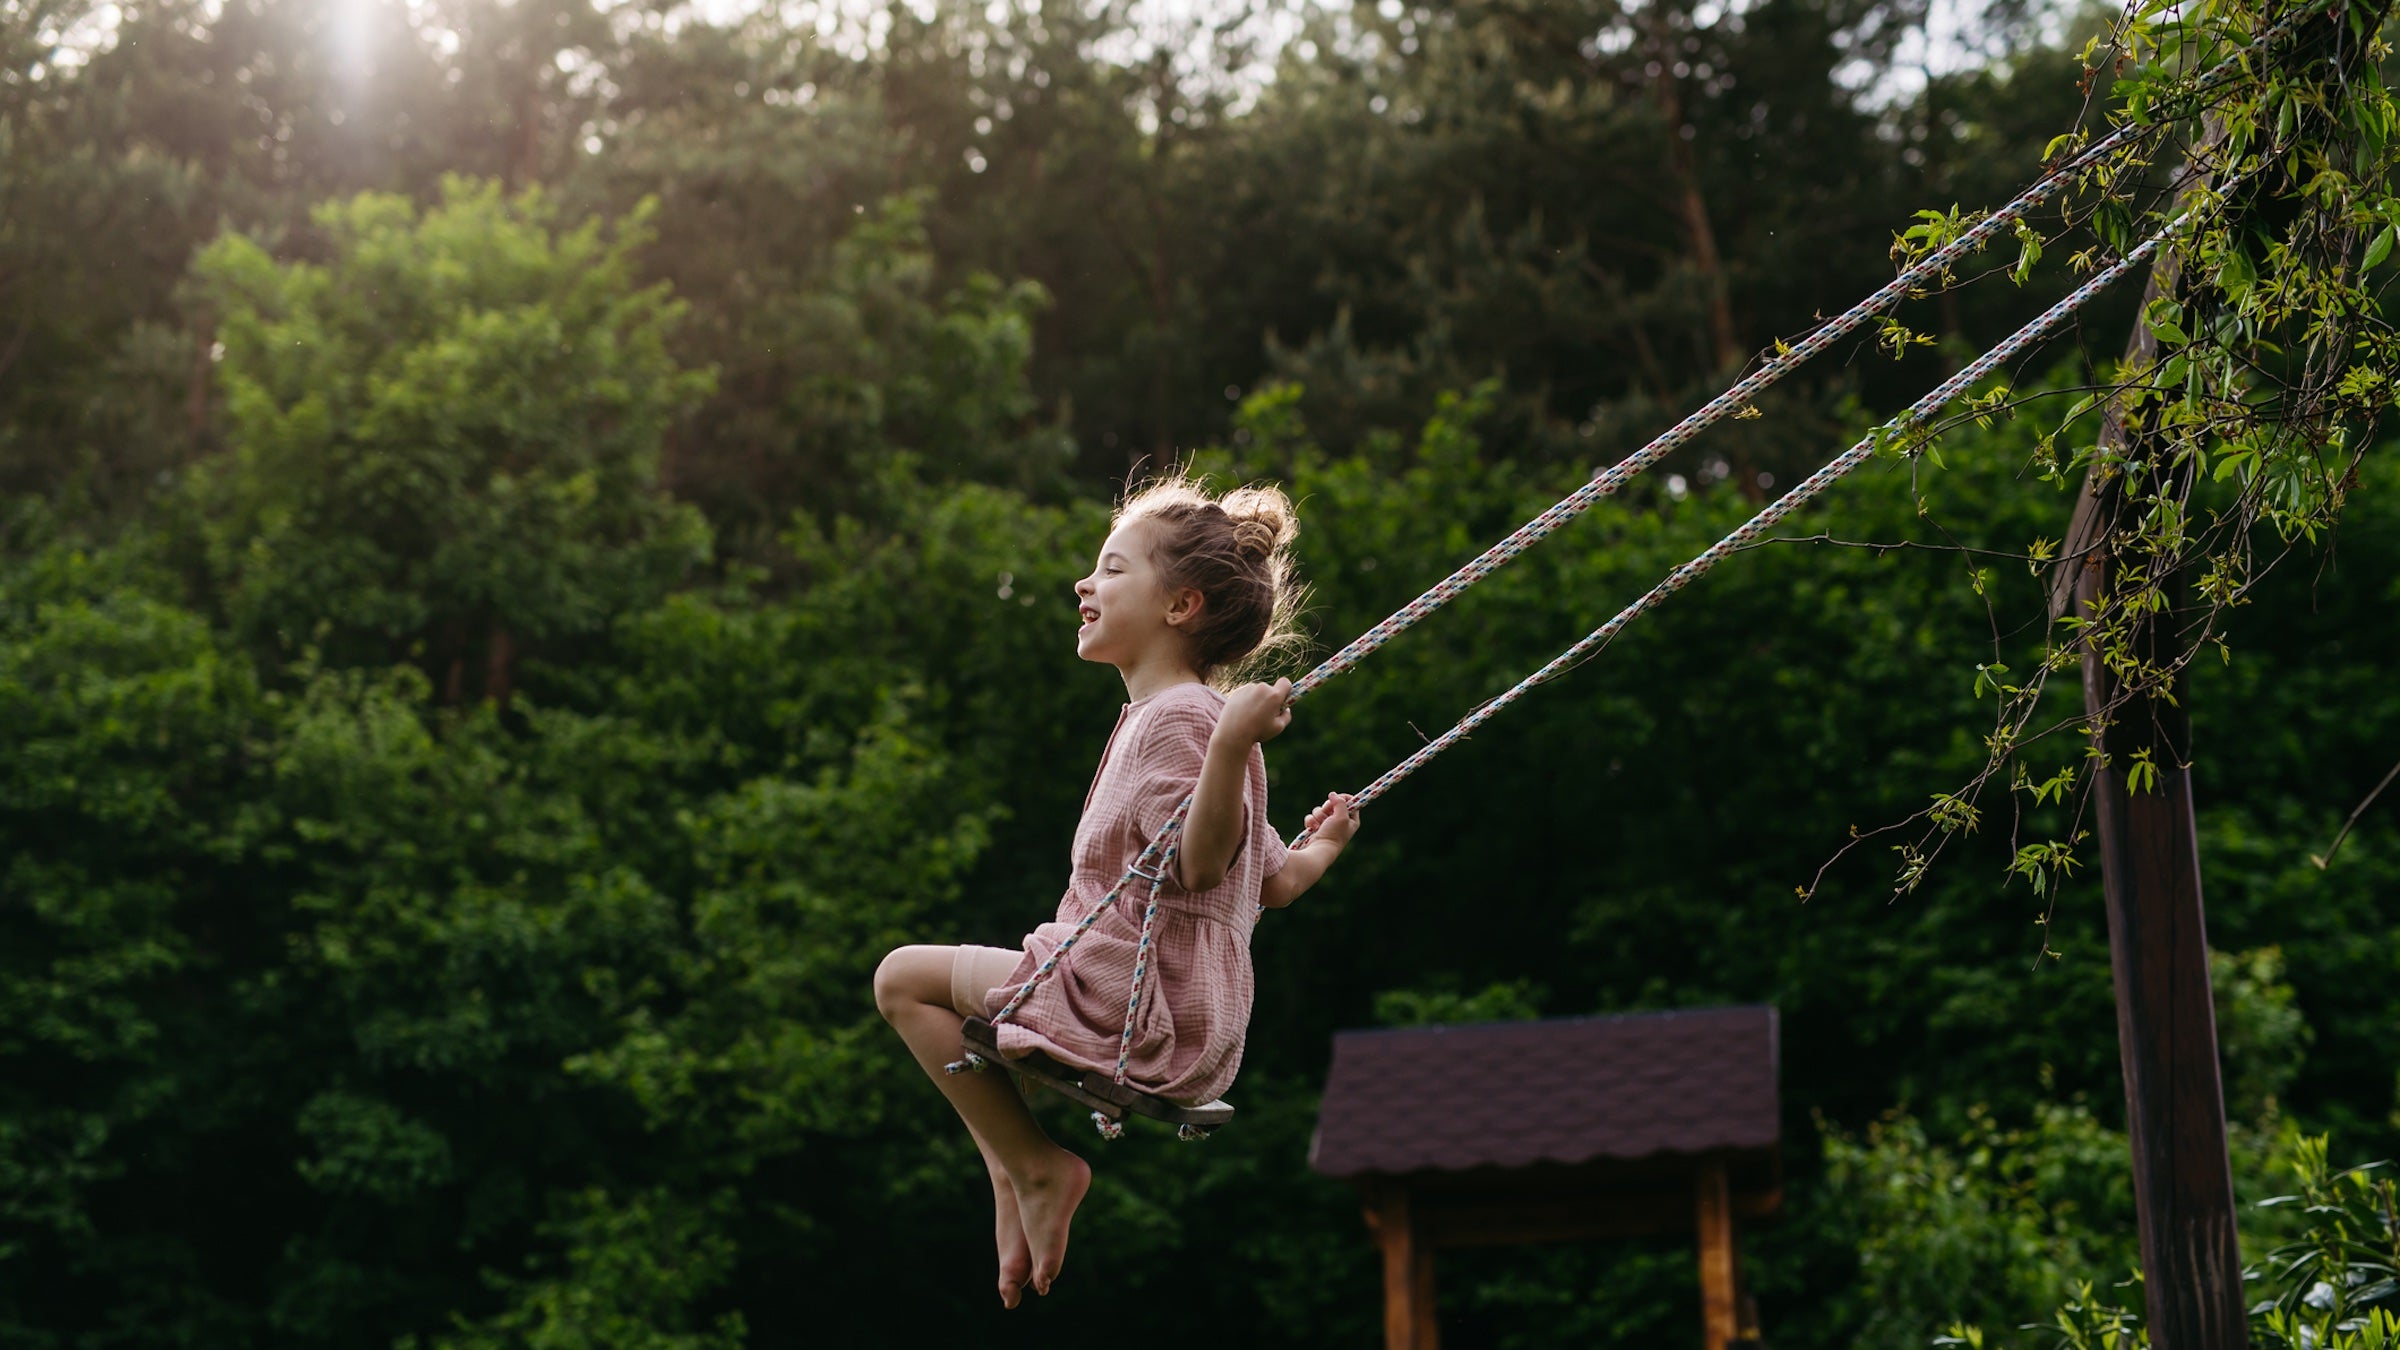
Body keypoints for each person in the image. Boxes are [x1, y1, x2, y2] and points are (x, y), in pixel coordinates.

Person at [873, 472, 1363, 1308]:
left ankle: (1029, 1165)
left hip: (1135, 1001)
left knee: (901, 980)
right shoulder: (1200, 722)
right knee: (945, 1010)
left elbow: (1200, 866)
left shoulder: (1185, 721)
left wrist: (1232, 743)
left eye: (1111, 568)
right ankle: (1011, 1168)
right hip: (1191, 1019)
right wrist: (1327, 846)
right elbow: (1274, 882)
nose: (1083, 584)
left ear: (1181, 606)